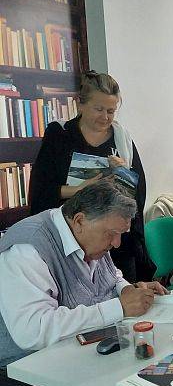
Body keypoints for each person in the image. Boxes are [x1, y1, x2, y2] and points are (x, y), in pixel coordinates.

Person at [0, 181, 168, 386]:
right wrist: (120, 307)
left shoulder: (88, 235)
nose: (117, 244)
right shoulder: (26, 250)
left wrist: (128, 290)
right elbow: (33, 331)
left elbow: (112, 276)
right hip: (28, 371)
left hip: (83, 353)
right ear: (79, 221)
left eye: (121, 234)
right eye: (111, 234)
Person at [29, 71, 153, 283]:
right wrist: (80, 190)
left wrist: (123, 173)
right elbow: (40, 192)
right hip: (71, 245)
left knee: (126, 300)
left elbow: (137, 196)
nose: (105, 117)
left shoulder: (121, 139)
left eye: (111, 111)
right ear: (80, 104)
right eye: (98, 109)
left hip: (117, 246)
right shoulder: (60, 136)